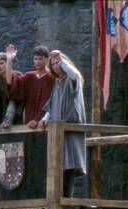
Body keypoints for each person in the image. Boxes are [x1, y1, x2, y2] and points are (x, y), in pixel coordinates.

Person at [38, 50, 86, 197]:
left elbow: (75, 75)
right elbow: (51, 106)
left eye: (58, 62)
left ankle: (68, 199)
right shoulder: (57, 83)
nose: (56, 65)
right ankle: (59, 198)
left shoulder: (71, 80)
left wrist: (62, 60)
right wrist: (45, 119)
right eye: (53, 63)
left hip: (70, 129)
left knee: (69, 164)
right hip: (57, 131)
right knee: (58, 164)